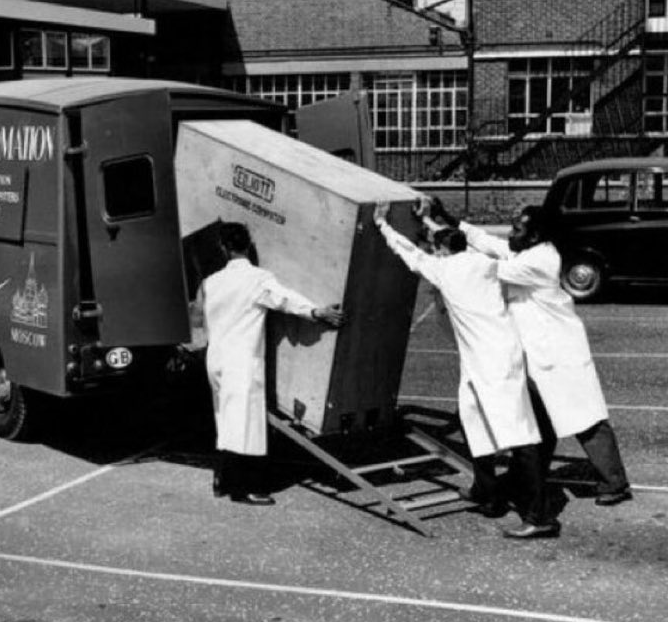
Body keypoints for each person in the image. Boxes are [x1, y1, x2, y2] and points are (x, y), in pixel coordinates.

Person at [374, 202, 559, 539]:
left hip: (493, 362)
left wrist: (383, 225)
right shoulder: (484, 262)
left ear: (441, 251)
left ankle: (539, 515)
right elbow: (461, 241)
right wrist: (428, 220)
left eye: (436, 248)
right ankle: (486, 493)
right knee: (473, 420)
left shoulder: (445, 270)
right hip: (491, 355)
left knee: (518, 433)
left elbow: (411, 254)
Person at [432, 200, 632, 507]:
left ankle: (614, 482)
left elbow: (487, 268)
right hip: (538, 354)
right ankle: (521, 478)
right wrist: (450, 221)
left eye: (518, 228)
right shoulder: (529, 251)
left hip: (559, 354)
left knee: (586, 419)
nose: (512, 233)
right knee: (537, 422)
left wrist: (439, 246)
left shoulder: (539, 261)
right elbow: (491, 244)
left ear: (536, 234)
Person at [194, 222, 344, 505]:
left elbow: (200, 318)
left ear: (223, 249)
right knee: (246, 422)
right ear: (248, 246)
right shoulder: (258, 278)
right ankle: (245, 487)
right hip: (241, 358)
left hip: (216, 357)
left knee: (224, 418)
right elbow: (284, 299)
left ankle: (222, 480)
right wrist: (315, 312)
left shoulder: (211, 282)